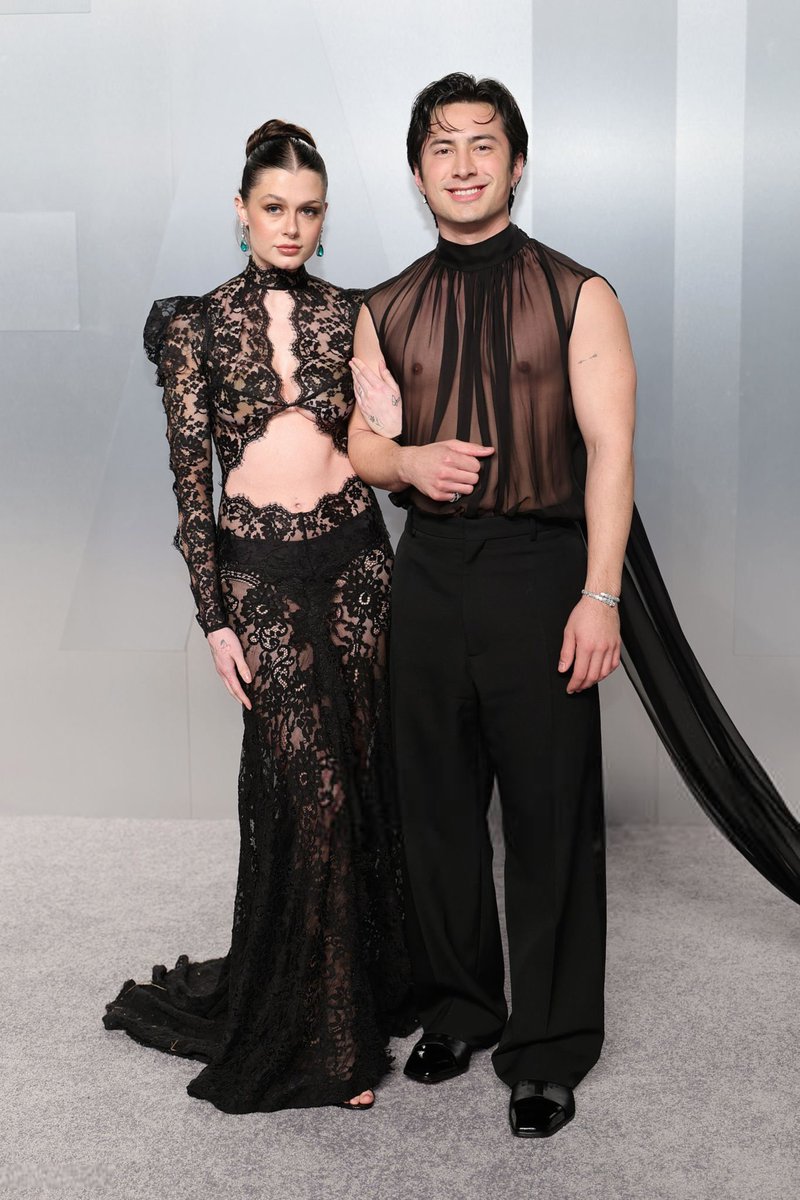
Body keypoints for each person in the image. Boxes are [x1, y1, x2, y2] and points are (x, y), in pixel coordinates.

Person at [347, 72, 800, 1139]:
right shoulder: (383, 305)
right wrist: (407, 458)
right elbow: (363, 447)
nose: (461, 163)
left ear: (515, 161)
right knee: (436, 807)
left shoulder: (576, 292)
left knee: (549, 814)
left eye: (482, 144)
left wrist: (599, 595)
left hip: (539, 572)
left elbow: (610, 455)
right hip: (428, 573)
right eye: (441, 146)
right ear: (416, 170)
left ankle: (547, 1046)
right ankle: (461, 1006)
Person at [103, 119, 415, 1114]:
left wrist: (394, 420)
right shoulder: (194, 326)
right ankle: (324, 1044)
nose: (291, 225)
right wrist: (214, 615)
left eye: (309, 210)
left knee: (363, 774)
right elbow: (189, 482)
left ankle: (364, 994)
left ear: (324, 218)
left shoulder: (355, 312)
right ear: (241, 213)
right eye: (273, 208)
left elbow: (377, 445)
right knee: (307, 790)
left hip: (359, 558)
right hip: (260, 575)